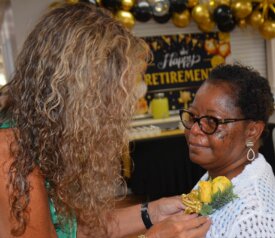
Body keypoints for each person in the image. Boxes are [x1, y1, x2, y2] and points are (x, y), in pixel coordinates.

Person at [0, 3, 211, 238]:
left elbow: (74, 229)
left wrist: (152, 212)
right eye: (111, 98)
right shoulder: (11, 160)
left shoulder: (40, 137)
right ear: (82, 95)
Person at [180, 63, 275, 237]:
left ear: (252, 131)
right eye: (193, 116)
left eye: (212, 121)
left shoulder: (253, 221)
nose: (194, 129)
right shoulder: (219, 175)